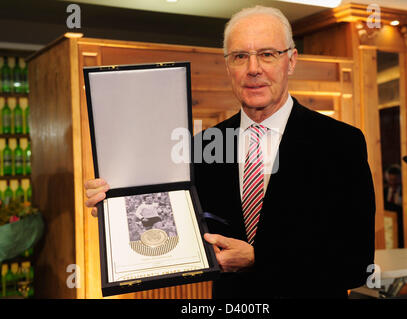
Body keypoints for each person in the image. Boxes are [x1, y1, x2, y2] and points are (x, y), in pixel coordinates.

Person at [85, 6, 375, 299]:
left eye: (267, 54)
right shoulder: (200, 148)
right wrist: (117, 209)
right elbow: (182, 229)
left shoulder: (341, 143)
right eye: (240, 56)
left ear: (291, 61)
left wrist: (258, 258)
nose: (253, 68)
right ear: (228, 67)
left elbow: (355, 263)